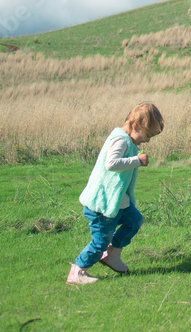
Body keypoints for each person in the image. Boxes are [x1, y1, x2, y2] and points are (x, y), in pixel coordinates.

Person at [67, 102, 164, 285]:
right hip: (103, 205)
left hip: (118, 201)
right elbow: (111, 164)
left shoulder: (127, 139)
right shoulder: (120, 140)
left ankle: (112, 255)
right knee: (99, 243)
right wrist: (136, 160)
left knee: (134, 221)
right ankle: (77, 272)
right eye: (147, 135)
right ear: (135, 126)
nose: (148, 140)